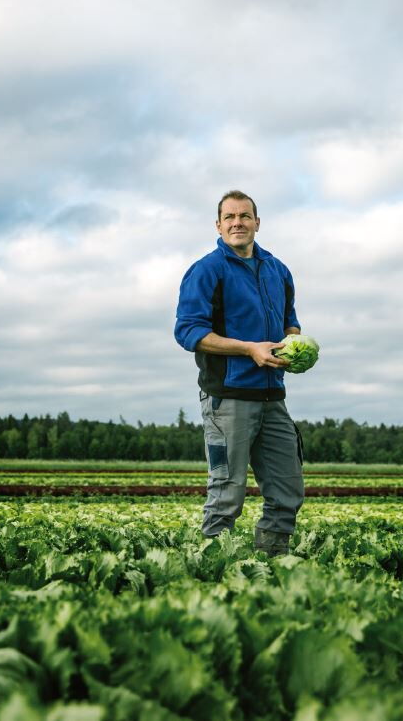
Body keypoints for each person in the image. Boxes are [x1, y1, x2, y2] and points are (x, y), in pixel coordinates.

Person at [174, 189, 304, 555]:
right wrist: (250, 349)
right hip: (228, 398)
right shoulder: (206, 271)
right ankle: (214, 570)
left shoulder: (277, 270)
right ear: (218, 225)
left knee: (287, 491)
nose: (237, 223)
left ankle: (272, 563)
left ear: (257, 223)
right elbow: (188, 332)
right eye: (229, 217)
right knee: (226, 493)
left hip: (272, 397)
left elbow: (289, 322)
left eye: (245, 216)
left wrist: (293, 345)